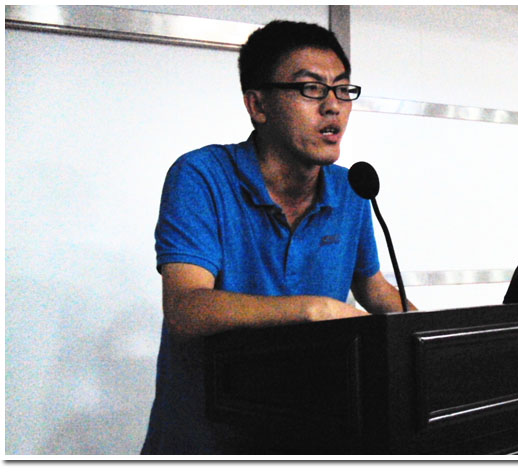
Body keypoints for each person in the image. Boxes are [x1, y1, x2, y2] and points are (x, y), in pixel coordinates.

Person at [142, 20, 414, 455]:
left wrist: (431, 341)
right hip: (207, 442)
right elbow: (186, 308)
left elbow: (373, 288)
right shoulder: (201, 176)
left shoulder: (350, 190)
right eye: (311, 89)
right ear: (258, 105)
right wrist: (313, 310)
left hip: (308, 433)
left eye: (343, 89)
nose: (334, 107)